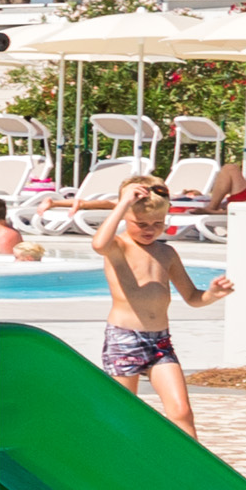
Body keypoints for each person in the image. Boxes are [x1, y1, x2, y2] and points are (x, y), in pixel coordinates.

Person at [94, 176, 225, 429]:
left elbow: (192, 297)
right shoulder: (118, 246)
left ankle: (190, 456)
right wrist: (123, 203)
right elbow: (99, 244)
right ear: (125, 217)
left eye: (157, 224)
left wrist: (212, 294)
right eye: (141, 223)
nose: (150, 230)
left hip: (160, 342)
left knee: (182, 411)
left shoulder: (167, 253)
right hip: (125, 339)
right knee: (124, 414)